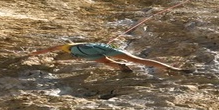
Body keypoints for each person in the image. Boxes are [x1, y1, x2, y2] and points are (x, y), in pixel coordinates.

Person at [31, 42, 192, 73]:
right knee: (136, 60)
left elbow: (50, 49)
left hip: (81, 53)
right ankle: (171, 68)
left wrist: (34, 54)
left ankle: (121, 68)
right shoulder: (73, 44)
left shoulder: (68, 48)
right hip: (88, 48)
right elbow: (52, 48)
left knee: (107, 62)